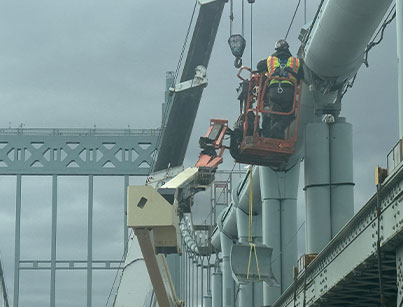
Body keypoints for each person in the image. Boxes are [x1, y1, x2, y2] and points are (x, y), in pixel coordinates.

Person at [257, 39, 303, 138]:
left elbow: (259, 66)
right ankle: (277, 130)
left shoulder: (270, 60)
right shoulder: (296, 61)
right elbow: (301, 77)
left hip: (273, 92)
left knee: (274, 113)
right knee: (290, 114)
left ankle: (272, 135)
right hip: (288, 92)